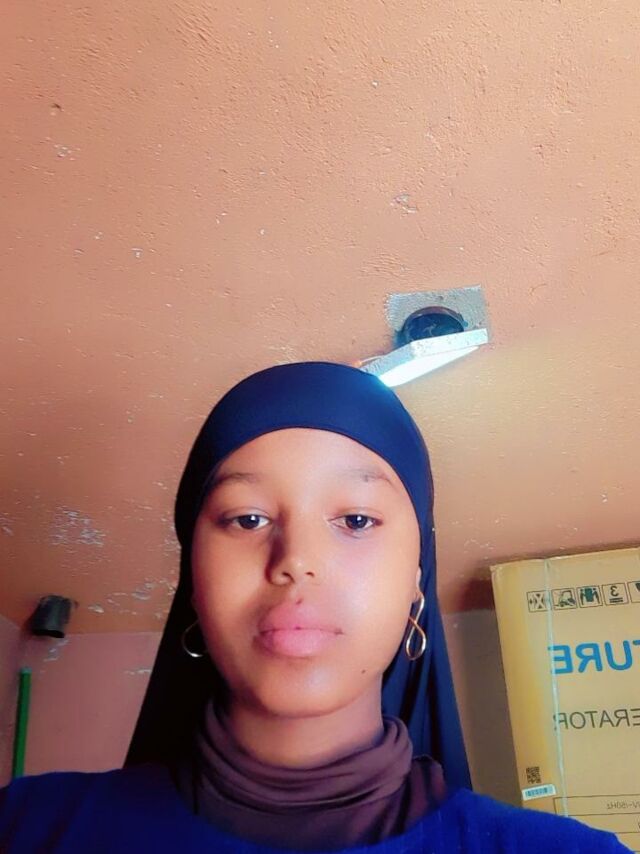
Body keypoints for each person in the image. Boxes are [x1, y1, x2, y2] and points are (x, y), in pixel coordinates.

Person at [0, 362, 631, 853]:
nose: (296, 560)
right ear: (193, 579)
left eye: (355, 520)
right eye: (247, 519)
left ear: (417, 582)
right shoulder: (23, 830)